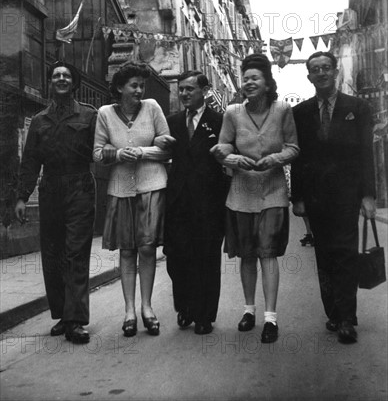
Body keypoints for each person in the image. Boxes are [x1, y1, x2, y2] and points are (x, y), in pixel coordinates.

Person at [211, 54, 299, 343]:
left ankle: (270, 318)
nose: (248, 82)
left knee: (268, 252)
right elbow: (221, 147)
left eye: (254, 78)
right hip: (241, 193)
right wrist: (235, 159)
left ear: (266, 83)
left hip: (273, 191)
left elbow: (293, 148)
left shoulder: (282, 110)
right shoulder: (233, 113)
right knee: (247, 253)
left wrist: (274, 158)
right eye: (245, 78)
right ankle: (249, 310)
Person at [291, 51, 376, 344]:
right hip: (315, 198)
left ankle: (347, 318)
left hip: (346, 195)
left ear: (335, 71)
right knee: (324, 256)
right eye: (315, 69)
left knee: (345, 254)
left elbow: (367, 153)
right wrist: (297, 197)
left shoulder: (358, 108)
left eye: (326, 67)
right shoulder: (300, 113)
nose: (322, 73)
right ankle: (333, 312)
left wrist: (368, 195)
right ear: (309, 77)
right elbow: (297, 159)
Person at [15, 61, 97, 344]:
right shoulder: (39, 121)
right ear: (51, 83)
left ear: (74, 83)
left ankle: (76, 321)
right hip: (50, 189)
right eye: (56, 76)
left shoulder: (89, 116)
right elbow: (29, 162)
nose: (61, 79)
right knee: (52, 255)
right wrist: (22, 197)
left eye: (66, 76)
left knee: (76, 253)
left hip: (80, 187)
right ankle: (62, 314)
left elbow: (99, 150)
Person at [93, 61, 170, 337]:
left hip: (151, 185)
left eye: (141, 85)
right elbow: (98, 153)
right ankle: (129, 312)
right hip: (121, 189)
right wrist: (117, 155)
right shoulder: (104, 113)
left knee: (148, 248)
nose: (139, 90)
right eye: (133, 85)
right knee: (127, 250)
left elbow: (166, 147)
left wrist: (140, 152)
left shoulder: (153, 108)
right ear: (119, 88)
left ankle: (147, 308)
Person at [154, 70, 228, 335]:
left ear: (204, 91)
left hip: (209, 203)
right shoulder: (171, 122)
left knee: (206, 259)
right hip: (178, 202)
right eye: (181, 89)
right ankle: (184, 305)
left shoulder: (219, 121)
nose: (184, 93)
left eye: (190, 89)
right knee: (177, 257)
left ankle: (204, 315)